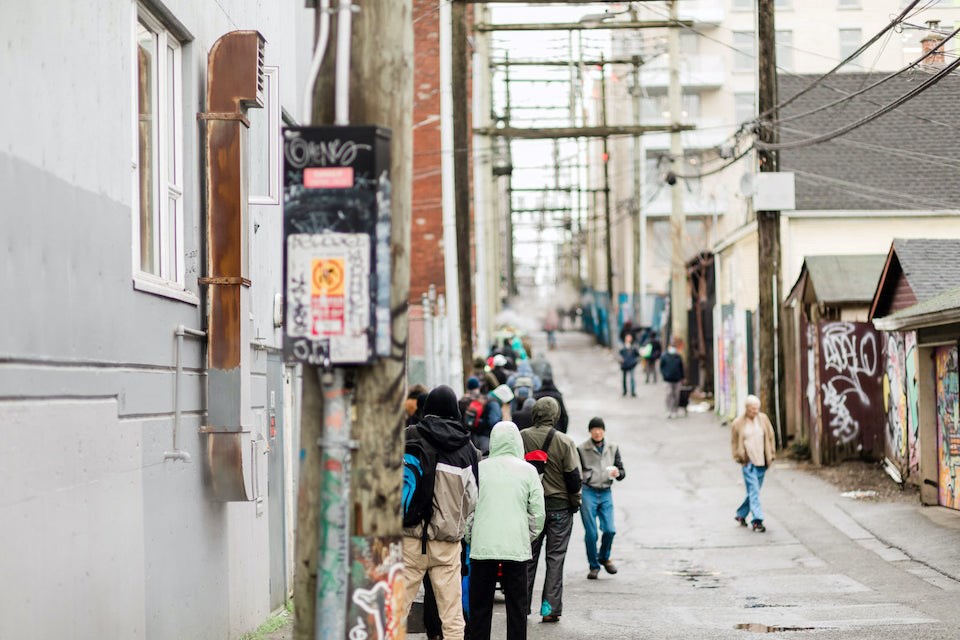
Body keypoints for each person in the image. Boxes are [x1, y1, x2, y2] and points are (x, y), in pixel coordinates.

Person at [401, 386, 480, 640]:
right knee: (452, 617)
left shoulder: (408, 436)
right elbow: (473, 498)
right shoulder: (466, 447)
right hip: (447, 544)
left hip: (409, 539)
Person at [466, 422, 545, 640]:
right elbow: (538, 513)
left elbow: (467, 508)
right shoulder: (529, 471)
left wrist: (471, 536)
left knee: (480, 607)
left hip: (483, 547)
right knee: (517, 607)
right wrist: (526, 536)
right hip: (516, 547)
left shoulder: (479, 468)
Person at [520, 397, 582, 623]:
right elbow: (573, 478)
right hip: (559, 508)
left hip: (529, 508)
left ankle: (521, 607)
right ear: (555, 416)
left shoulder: (522, 437)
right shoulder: (564, 441)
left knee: (528, 557)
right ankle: (550, 609)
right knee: (555, 558)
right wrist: (575, 502)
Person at [577, 417, 626, 580]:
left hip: (605, 491)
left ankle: (604, 556)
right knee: (591, 533)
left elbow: (621, 471)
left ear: (604, 431)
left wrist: (617, 473)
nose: (597, 432)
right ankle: (594, 566)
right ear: (590, 431)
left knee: (610, 530)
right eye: (594, 429)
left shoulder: (613, 448)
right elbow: (575, 471)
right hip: (588, 491)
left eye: (600, 429)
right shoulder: (582, 449)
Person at [730, 395, 776, 533]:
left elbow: (770, 436)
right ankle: (757, 520)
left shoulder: (763, 419)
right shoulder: (738, 423)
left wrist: (772, 454)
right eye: (752, 409)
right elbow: (733, 443)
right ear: (746, 408)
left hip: (762, 462)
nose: (755, 411)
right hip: (748, 463)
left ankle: (740, 514)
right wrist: (739, 458)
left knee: (753, 492)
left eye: (757, 408)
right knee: (754, 491)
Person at [659, 340, 685, 418]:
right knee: (668, 394)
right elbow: (661, 367)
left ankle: (674, 410)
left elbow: (681, 367)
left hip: (677, 379)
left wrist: (682, 377)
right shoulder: (664, 356)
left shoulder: (678, 356)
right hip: (667, 379)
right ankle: (668, 410)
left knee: (676, 395)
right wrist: (664, 375)